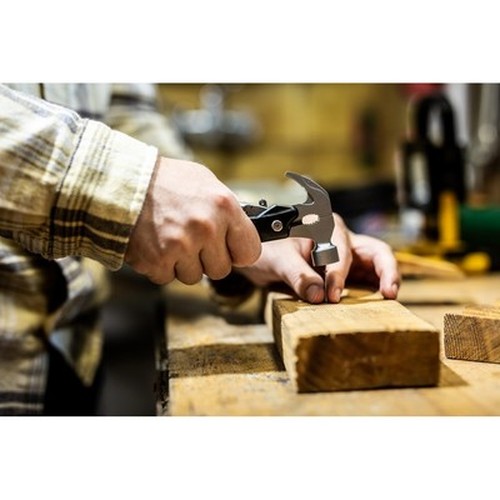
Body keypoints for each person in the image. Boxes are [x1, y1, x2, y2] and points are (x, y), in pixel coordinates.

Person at [0, 83, 400, 416]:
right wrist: (130, 188)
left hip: (70, 358)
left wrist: (232, 219)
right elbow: (137, 177)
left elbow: (125, 120)